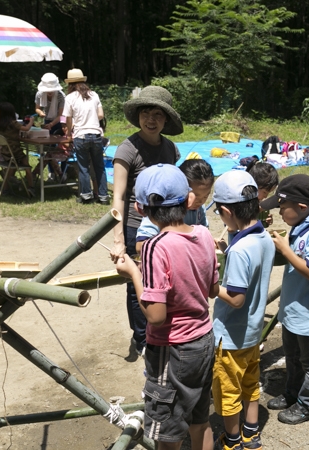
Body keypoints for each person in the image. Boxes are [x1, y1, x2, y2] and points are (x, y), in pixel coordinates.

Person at [115, 164, 217, 450]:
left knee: (166, 432)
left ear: (139, 207)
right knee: (200, 419)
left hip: (172, 350)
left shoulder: (153, 247)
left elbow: (155, 316)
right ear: (188, 200)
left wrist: (134, 274)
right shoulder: (205, 235)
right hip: (204, 339)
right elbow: (210, 289)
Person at [110, 86, 183, 358]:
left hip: (165, 225)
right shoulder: (127, 149)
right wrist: (118, 239)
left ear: (166, 120)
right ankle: (141, 338)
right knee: (136, 281)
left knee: (166, 277)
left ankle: (162, 329)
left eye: (157, 114)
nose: (150, 120)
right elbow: (117, 197)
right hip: (134, 225)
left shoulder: (171, 149)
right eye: (145, 113)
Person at [260, 174, 309, 425]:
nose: (279, 212)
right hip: (294, 309)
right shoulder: (301, 225)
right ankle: (293, 392)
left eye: (281, 207)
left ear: (301, 207)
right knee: (292, 355)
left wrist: (286, 250)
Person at [211, 170, 275, 450]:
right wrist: (228, 249)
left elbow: (235, 299)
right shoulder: (264, 238)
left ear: (226, 210)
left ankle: (233, 439)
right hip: (252, 332)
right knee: (250, 384)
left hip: (231, 337)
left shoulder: (240, 251)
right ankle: (251, 433)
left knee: (227, 391)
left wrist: (211, 286)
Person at [135, 159, 214, 253]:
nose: (200, 201)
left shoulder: (199, 208)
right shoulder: (161, 210)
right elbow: (140, 246)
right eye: (195, 196)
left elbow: (203, 233)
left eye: (206, 196)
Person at [62, 68, 109, 205]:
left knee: (83, 167)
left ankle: (86, 196)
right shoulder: (94, 95)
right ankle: (103, 196)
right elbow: (100, 115)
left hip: (80, 135)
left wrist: (70, 130)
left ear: (70, 84)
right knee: (99, 166)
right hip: (96, 134)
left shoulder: (70, 98)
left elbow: (68, 118)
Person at [0, 102, 36, 197]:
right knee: (27, 167)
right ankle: (30, 187)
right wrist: (31, 121)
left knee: (11, 168)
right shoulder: (13, 123)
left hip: (5, 152)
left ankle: (5, 188)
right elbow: (26, 128)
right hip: (16, 151)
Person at [34, 73, 67, 180]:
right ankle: (52, 172)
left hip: (60, 122)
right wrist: (40, 113)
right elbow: (37, 108)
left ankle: (63, 170)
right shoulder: (39, 94)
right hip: (47, 120)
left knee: (63, 147)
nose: (49, 92)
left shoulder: (61, 96)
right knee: (49, 148)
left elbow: (61, 114)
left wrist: (52, 124)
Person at [248, 162, 279, 228]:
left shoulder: (259, 202)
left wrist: (265, 222)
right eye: (265, 192)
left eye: (268, 193)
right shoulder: (242, 203)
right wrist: (257, 211)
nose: (266, 196)